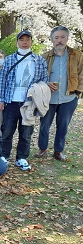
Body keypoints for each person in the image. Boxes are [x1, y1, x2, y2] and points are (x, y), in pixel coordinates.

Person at [0, 30, 48, 170]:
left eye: (27, 39)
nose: (25, 42)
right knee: (7, 130)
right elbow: (3, 80)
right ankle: (4, 155)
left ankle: (22, 158)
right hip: (11, 100)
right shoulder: (9, 59)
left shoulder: (39, 60)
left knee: (26, 132)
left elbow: (44, 80)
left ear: (31, 41)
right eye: (22, 40)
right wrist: (1, 99)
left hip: (29, 103)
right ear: (17, 42)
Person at [35, 26, 83, 161]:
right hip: (48, 98)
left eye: (62, 37)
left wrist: (77, 92)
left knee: (63, 126)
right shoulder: (45, 56)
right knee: (45, 125)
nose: (59, 41)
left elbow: (81, 74)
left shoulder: (77, 55)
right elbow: (38, 76)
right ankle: (42, 148)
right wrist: (45, 84)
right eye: (56, 38)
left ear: (67, 38)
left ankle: (58, 151)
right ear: (52, 40)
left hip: (68, 97)